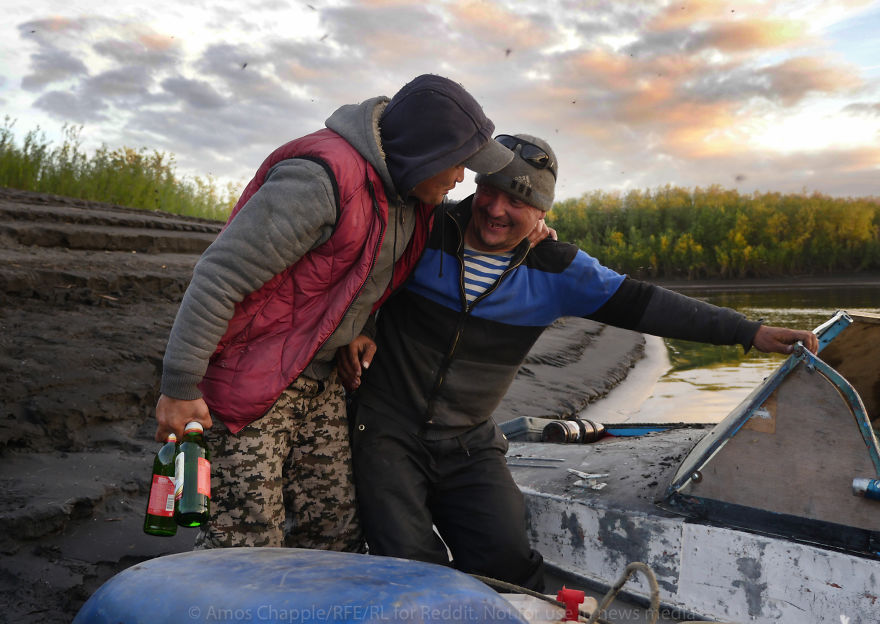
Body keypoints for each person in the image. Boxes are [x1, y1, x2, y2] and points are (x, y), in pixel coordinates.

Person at [338, 133, 819, 590]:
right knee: (408, 561)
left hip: (468, 440)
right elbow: (357, 272)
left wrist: (750, 332)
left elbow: (648, 303)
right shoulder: (422, 228)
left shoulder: (559, 269)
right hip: (387, 428)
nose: (496, 208)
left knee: (507, 563)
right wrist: (363, 326)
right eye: (490, 190)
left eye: (518, 200)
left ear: (543, 209)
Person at [152, 74, 517, 551]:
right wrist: (178, 388)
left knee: (335, 530)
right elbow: (219, 275)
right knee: (245, 543)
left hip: (319, 378)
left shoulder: (411, 195)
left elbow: (363, 270)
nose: (461, 178)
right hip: (253, 374)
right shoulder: (319, 178)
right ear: (425, 152)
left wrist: (359, 328)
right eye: (457, 164)